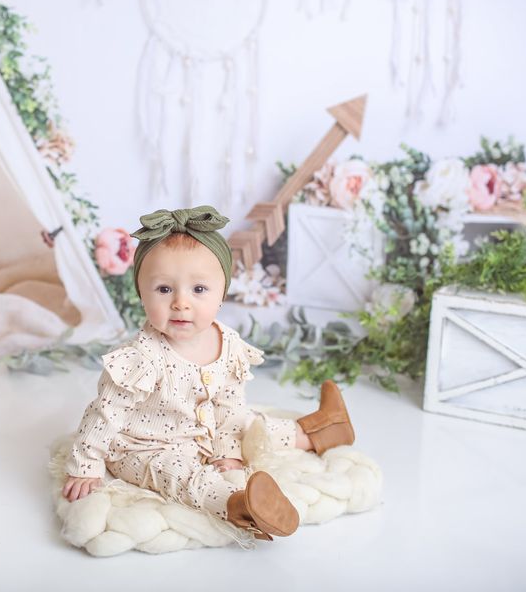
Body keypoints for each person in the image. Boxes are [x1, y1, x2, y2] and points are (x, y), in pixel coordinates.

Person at [61, 206, 356, 541]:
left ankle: (319, 432)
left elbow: (229, 407)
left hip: (204, 433)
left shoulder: (227, 343)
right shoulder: (140, 357)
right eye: (163, 290)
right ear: (141, 294)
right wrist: (86, 464)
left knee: (250, 423)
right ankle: (239, 506)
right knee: (178, 474)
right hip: (143, 446)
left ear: (221, 294)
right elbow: (104, 414)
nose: (181, 303)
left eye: (199, 290)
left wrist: (227, 452)